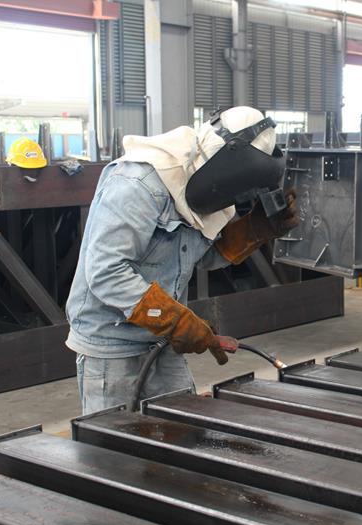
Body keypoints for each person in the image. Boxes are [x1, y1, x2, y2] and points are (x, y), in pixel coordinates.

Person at [65, 107, 298, 414]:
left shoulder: (212, 189)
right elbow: (107, 272)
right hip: (112, 344)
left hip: (162, 340)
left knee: (181, 430)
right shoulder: (138, 184)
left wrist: (256, 229)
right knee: (115, 440)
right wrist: (177, 321)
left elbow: (200, 258)